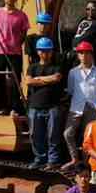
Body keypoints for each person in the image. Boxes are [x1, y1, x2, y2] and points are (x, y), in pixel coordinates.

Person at [62, 41, 96, 170]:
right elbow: (70, 90)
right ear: (78, 55)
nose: (84, 56)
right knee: (68, 133)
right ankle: (74, 158)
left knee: (88, 137)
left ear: (91, 55)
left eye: (87, 53)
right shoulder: (73, 72)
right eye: (81, 53)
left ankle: (85, 162)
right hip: (76, 107)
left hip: (93, 108)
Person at [0, 0, 29, 115]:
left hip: (15, 52)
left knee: (15, 80)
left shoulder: (21, 15)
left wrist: (17, 43)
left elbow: (24, 33)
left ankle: (14, 107)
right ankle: (1, 107)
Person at [26, 37, 63, 170]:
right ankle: (40, 159)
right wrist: (48, 80)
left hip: (52, 107)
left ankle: (53, 161)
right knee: (36, 135)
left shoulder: (56, 67)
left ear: (51, 52)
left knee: (53, 136)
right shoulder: (32, 67)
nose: (45, 53)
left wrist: (38, 79)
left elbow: (57, 78)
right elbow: (29, 81)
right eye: (42, 51)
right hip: (35, 107)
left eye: (47, 51)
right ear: (37, 51)